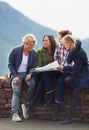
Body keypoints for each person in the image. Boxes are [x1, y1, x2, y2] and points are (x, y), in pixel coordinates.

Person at [21, 34, 57, 119]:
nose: (44, 42)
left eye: (46, 40)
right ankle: (49, 95)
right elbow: (39, 65)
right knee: (41, 82)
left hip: (54, 73)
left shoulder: (56, 50)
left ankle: (28, 105)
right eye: (43, 40)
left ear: (51, 42)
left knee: (41, 86)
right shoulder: (40, 51)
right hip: (43, 73)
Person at [57, 35, 89, 124]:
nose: (64, 46)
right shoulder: (74, 49)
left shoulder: (81, 53)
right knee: (66, 80)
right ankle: (77, 97)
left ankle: (69, 117)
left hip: (84, 74)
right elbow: (69, 60)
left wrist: (63, 68)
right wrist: (71, 50)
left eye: (65, 44)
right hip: (78, 73)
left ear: (69, 43)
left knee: (75, 93)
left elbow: (76, 67)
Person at [42, 30, 73, 120]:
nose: (58, 39)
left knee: (60, 82)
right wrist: (56, 66)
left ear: (65, 38)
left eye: (59, 37)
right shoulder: (59, 45)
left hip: (67, 71)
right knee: (45, 72)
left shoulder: (72, 48)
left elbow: (72, 64)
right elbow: (56, 58)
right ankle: (51, 94)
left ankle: (57, 107)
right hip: (58, 68)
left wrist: (63, 68)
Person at [8, 34, 38, 122]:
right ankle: (15, 114)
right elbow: (10, 64)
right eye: (30, 45)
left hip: (26, 74)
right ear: (25, 43)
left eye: (33, 45)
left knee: (33, 84)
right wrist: (15, 76)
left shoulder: (34, 54)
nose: (32, 47)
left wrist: (30, 74)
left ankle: (26, 104)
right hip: (16, 74)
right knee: (16, 91)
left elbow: (34, 67)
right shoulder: (15, 51)